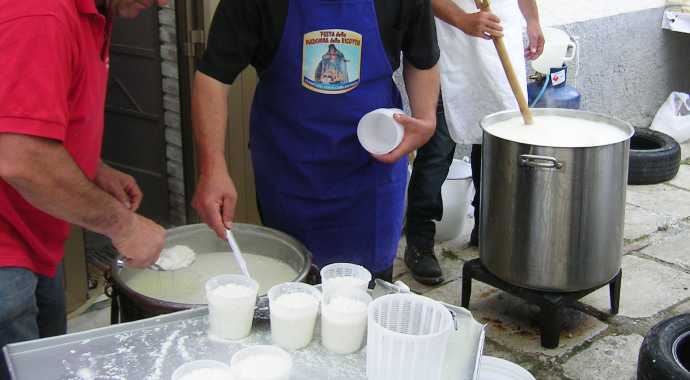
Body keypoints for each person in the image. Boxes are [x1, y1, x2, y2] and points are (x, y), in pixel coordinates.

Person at [192, 0, 440, 283]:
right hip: (290, 175)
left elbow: (423, 58)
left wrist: (426, 119)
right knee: (291, 291)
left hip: (371, 180)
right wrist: (212, 167)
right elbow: (213, 76)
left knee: (364, 297)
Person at [0, 0, 167, 377]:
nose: (164, 2)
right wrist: (123, 227)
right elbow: (21, 157)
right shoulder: (41, 14)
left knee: (50, 363)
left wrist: (92, 166)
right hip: (5, 250)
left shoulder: (94, 15)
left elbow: (32, 116)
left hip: (36, 235)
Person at [404, 0, 543, 284]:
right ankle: (419, 240)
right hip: (451, 43)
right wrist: (462, 20)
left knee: (496, 142)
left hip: (498, 36)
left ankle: (489, 230)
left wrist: (533, 20)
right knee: (438, 149)